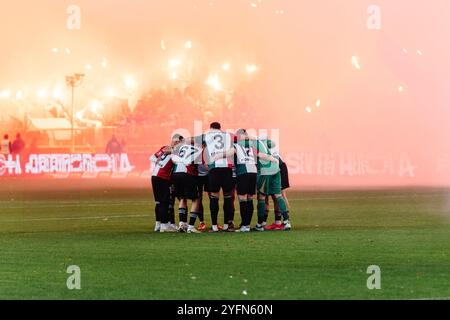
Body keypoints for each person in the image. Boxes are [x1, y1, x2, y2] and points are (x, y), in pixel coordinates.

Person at [193, 122, 235, 232]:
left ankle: (215, 226)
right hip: (227, 168)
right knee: (228, 197)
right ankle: (226, 225)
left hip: (214, 169)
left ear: (211, 128)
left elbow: (195, 142)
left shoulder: (206, 135)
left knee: (214, 197)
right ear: (220, 128)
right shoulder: (227, 135)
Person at [254, 134, 291, 231]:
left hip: (267, 169)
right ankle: (286, 222)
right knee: (278, 195)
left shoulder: (257, 145)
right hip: (278, 168)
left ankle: (261, 224)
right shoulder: (271, 144)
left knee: (262, 196)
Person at [150, 134, 182, 233]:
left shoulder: (164, 148)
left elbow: (152, 158)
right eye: (174, 141)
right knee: (164, 202)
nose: (175, 143)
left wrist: (158, 162)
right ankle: (164, 225)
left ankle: (158, 224)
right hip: (162, 178)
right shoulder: (176, 152)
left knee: (159, 202)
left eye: (177, 142)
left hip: (154, 176)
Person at [171, 137, 203, 233]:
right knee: (196, 199)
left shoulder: (180, 147)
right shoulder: (197, 149)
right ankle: (191, 226)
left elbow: (173, 159)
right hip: (187, 173)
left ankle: (182, 224)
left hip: (176, 173)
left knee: (182, 198)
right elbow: (199, 164)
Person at [234, 129, 258, 233]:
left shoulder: (236, 145)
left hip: (243, 172)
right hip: (253, 171)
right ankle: (247, 224)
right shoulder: (252, 144)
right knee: (250, 198)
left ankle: (245, 225)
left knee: (242, 198)